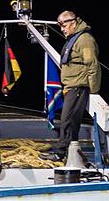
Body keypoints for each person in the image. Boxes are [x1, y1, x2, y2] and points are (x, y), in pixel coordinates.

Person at [41, 11, 101, 162]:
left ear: (73, 23)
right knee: (69, 120)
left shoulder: (84, 40)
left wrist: (93, 90)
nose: (62, 29)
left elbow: (92, 65)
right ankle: (69, 151)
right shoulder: (75, 38)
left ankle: (60, 153)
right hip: (71, 87)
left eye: (63, 25)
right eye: (60, 26)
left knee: (67, 120)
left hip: (78, 87)